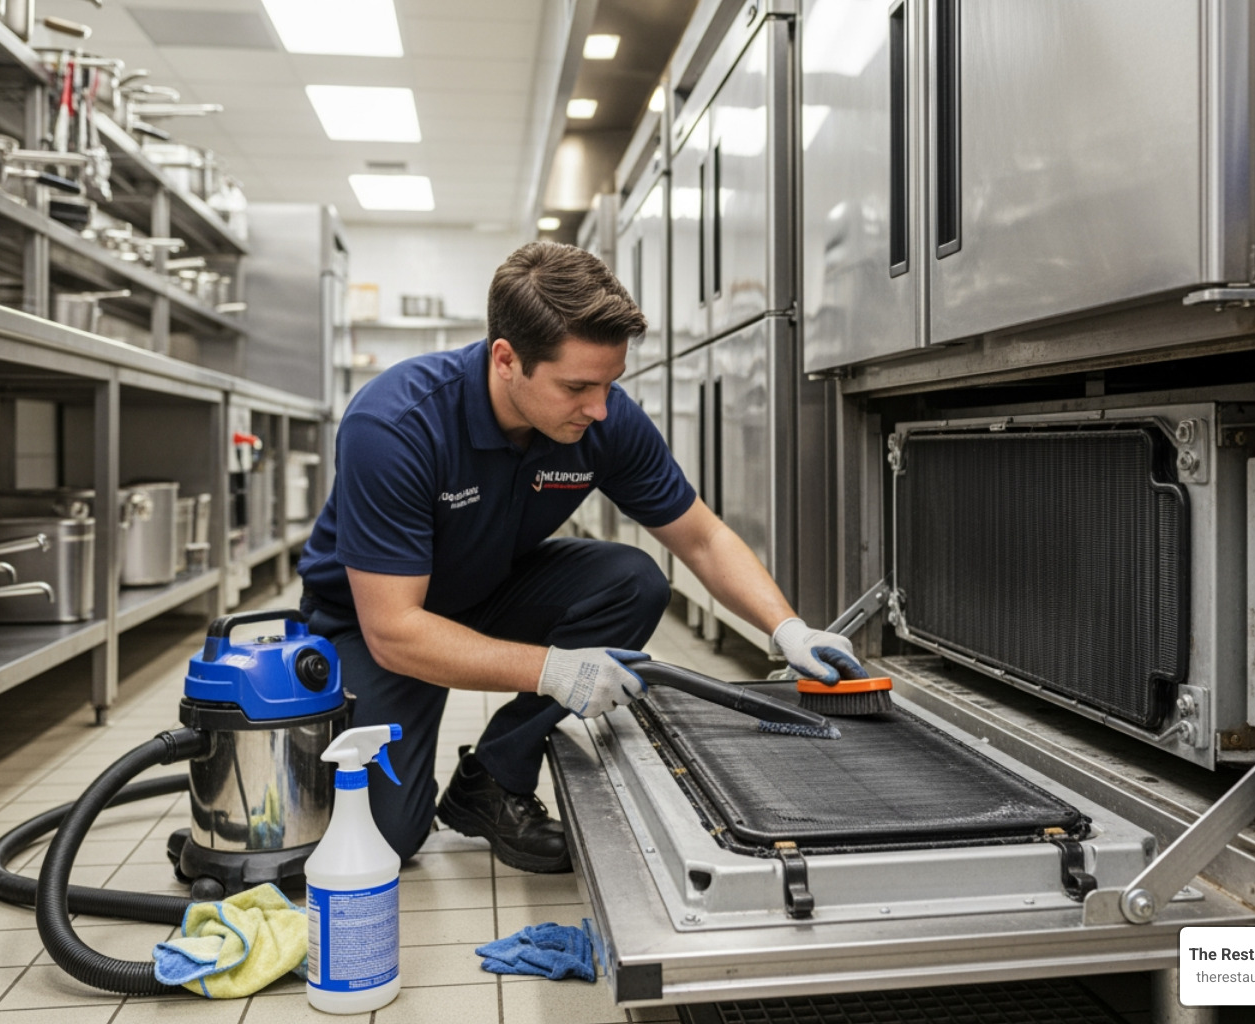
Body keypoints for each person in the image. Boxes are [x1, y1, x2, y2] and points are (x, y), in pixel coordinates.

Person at [298, 241, 862, 873]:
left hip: (490, 586)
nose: (599, 408)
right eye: (577, 386)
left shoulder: (601, 420)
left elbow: (701, 537)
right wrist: (554, 670)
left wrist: (786, 627)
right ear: (507, 359)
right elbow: (395, 632)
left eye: (610, 383)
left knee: (632, 581)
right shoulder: (396, 425)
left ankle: (492, 778)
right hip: (374, 622)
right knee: (383, 841)